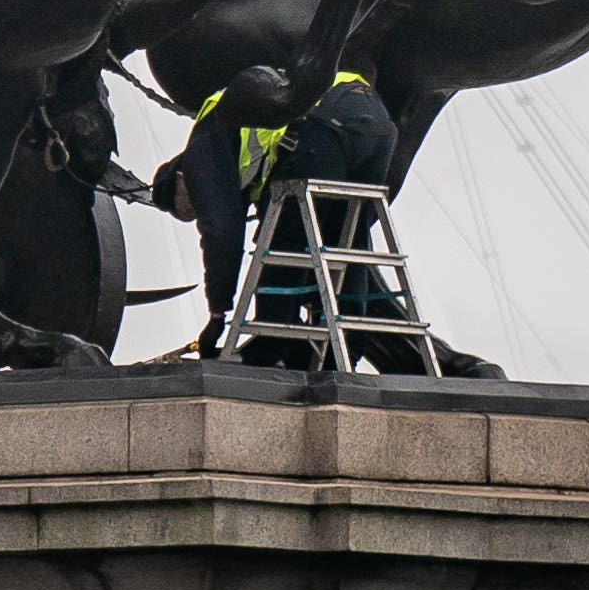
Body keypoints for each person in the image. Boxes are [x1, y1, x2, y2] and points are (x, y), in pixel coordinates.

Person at [177, 64, 413, 368]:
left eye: (189, 207)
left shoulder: (200, 151)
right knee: (347, 238)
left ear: (180, 177)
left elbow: (221, 231)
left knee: (281, 238)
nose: (197, 209)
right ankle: (346, 346)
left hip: (326, 121)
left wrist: (217, 315)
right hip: (375, 123)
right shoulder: (230, 144)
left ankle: (272, 341)